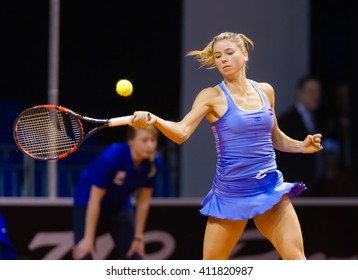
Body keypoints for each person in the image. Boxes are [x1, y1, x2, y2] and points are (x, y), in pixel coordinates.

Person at [130, 32, 323, 260]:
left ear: (244, 54)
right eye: (218, 55)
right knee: (211, 269)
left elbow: (274, 137)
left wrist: (302, 146)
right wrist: (155, 119)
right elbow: (181, 133)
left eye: (229, 53)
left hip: (269, 188)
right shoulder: (211, 96)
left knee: (298, 262)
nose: (223, 59)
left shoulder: (266, 91)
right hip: (231, 194)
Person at [72, 125, 160, 260]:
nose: (150, 145)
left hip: (120, 202)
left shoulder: (154, 163)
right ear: (131, 141)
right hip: (88, 200)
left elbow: (143, 201)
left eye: (153, 140)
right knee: (84, 254)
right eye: (144, 140)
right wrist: (89, 240)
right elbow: (95, 200)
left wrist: (138, 237)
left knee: (134, 255)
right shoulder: (111, 157)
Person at [275, 75, 324, 196]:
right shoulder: (287, 121)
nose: (316, 96)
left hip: (314, 186)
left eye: (318, 91)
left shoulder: (317, 119)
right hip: (295, 188)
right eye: (311, 91)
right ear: (300, 93)